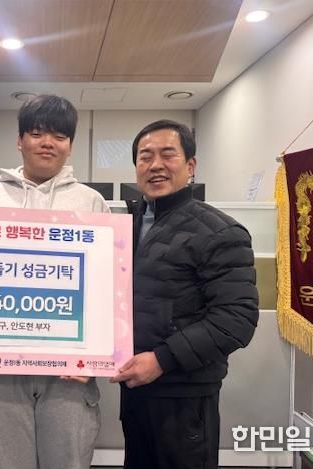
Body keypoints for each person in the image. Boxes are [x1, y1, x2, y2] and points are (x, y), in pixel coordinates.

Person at [0, 94, 110, 469]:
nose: (48, 143)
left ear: (70, 145)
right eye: (37, 133)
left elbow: (108, 288)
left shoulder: (92, 203)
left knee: (67, 462)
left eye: (59, 136)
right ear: (19, 140)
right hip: (0, 371)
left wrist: (97, 356)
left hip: (69, 372)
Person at [111, 120, 259, 469]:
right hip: (135, 388)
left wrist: (162, 359)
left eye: (168, 155)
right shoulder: (126, 225)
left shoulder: (220, 231)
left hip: (185, 394)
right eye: (145, 157)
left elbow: (236, 319)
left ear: (191, 165)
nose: (155, 165)